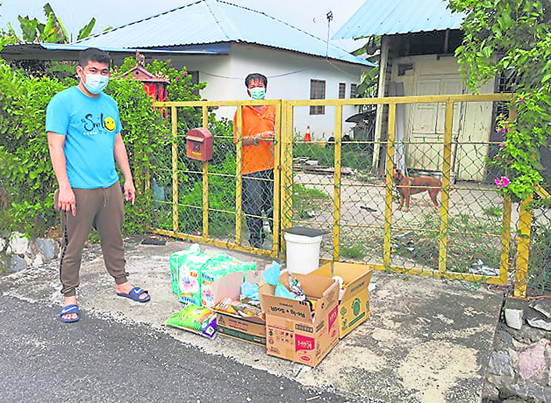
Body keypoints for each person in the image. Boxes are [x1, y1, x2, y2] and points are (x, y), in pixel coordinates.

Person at [46, 47, 150, 324]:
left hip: (110, 185)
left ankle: (122, 283)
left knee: (114, 238)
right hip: (78, 188)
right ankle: (69, 296)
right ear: (80, 71)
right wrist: (64, 187)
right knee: (74, 245)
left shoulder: (109, 104)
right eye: (93, 71)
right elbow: (55, 146)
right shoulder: (63, 102)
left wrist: (127, 178)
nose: (99, 77)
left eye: (104, 72)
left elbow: (117, 142)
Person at [233, 73, 275, 248]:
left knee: (274, 204)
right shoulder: (242, 110)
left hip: (273, 165)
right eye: (253, 86)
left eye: (260, 86)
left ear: (265, 88)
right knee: (254, 206)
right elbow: (237, 140)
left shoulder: (274, 108)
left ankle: (278, 240)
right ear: (248, 91)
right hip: (250, 167)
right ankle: (256, 241)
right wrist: (258, 137)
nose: (257, 89)